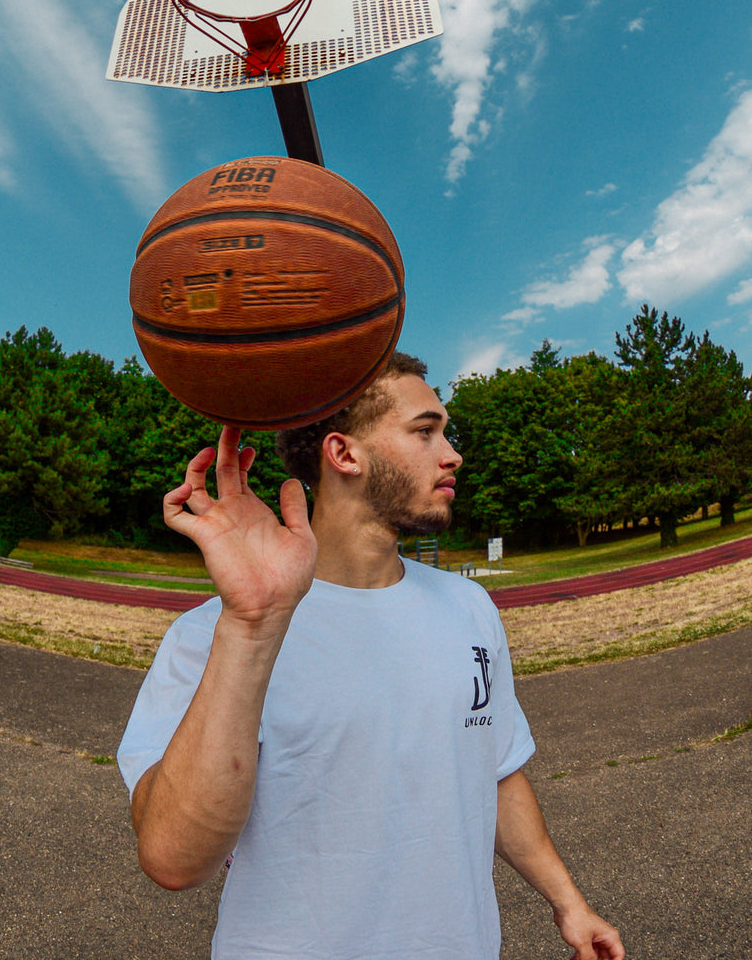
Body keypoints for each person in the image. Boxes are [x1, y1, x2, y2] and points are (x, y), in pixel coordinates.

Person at [118, 352, 624, 960]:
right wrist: (252, 624)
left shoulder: (469, 607)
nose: (452, 452)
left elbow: (492, 770)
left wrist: (568, 901)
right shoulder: (214, 635)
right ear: (346, 455)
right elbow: (171, 859)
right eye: (425, 430)